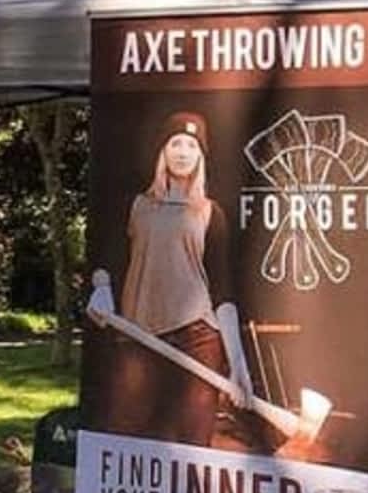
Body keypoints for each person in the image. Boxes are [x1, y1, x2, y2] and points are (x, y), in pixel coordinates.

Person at [112, 111, 267, 451]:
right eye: (175, 143)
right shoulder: (137, 207)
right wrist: (99, 287)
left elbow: (222, 291)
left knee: (193, 442)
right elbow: (111, 261)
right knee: (133, 437)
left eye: (192, 145)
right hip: (139, 333)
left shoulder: (211, 214)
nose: (183, 151)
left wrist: (237, 365)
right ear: (162, 152)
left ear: (201, 156)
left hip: (197, 336)